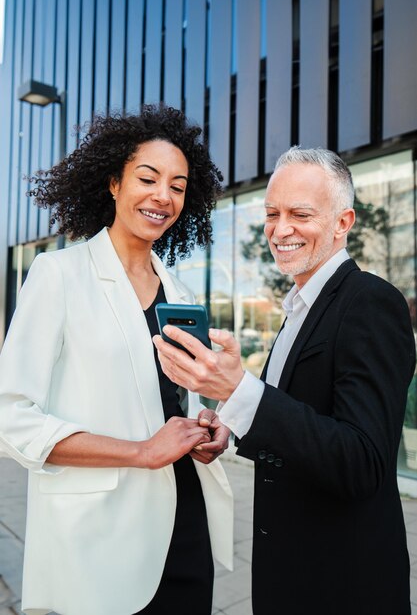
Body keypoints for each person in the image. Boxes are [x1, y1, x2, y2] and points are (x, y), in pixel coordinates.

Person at [154, 146, 416, 615]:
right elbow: (300, 419)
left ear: (343, 222)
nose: (280, 229)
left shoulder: (371, 303)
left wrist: (239, 390)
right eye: (273, 213)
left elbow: (362, 462)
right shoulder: (299, 306)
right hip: (288, 575)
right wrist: (229, 428)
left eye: (301, 213)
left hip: (343, 586)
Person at [0, 105, 233, 615]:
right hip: (102, 534)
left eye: (177, 185)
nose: (162, 196)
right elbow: (11, 417)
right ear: (113, 183)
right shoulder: (58, 274)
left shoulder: (180, 289)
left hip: (185, 517)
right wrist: (141, 452)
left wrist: (210, 427)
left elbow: (176, 397)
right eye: (147, 178)